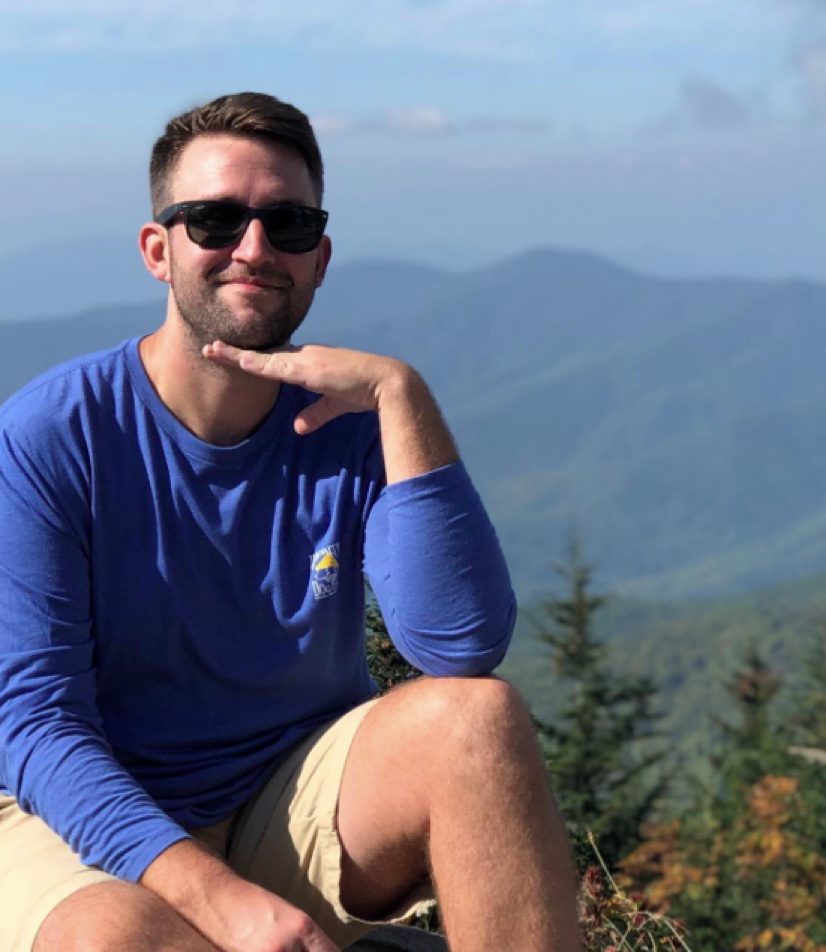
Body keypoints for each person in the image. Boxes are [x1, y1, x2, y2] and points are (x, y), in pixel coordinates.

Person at [0, 92, 582, 952]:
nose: (254, 248)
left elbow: (456, 646)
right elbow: (36, 724)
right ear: (158, 251)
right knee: (119, 937)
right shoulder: (53, 435)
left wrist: (400, 397)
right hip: (83, 819)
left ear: (321, 258)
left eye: (289, 223)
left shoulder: (353, 422)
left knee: (478, 722)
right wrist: (216, 899)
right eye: (214, 219)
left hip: (283, 793)